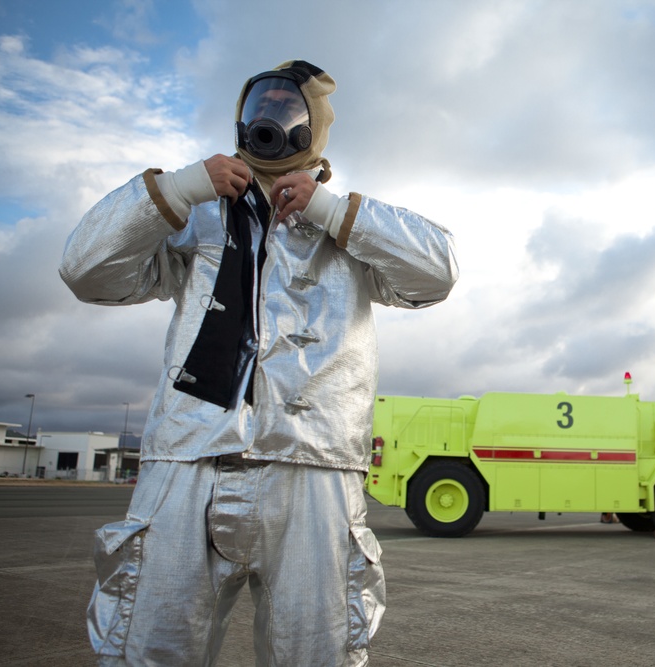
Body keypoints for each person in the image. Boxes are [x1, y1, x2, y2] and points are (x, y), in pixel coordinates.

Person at [60, 60, 459, 666]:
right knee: (151, 649)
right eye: (260, 107)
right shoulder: (195, 213)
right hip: (187, 460)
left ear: (313, 128)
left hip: (312, 466)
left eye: (287, 108)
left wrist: (330, 210)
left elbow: (438, 272)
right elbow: (85, 270)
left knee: (315, 654)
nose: (270, 121)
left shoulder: (346, 227)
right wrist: (177, 188)